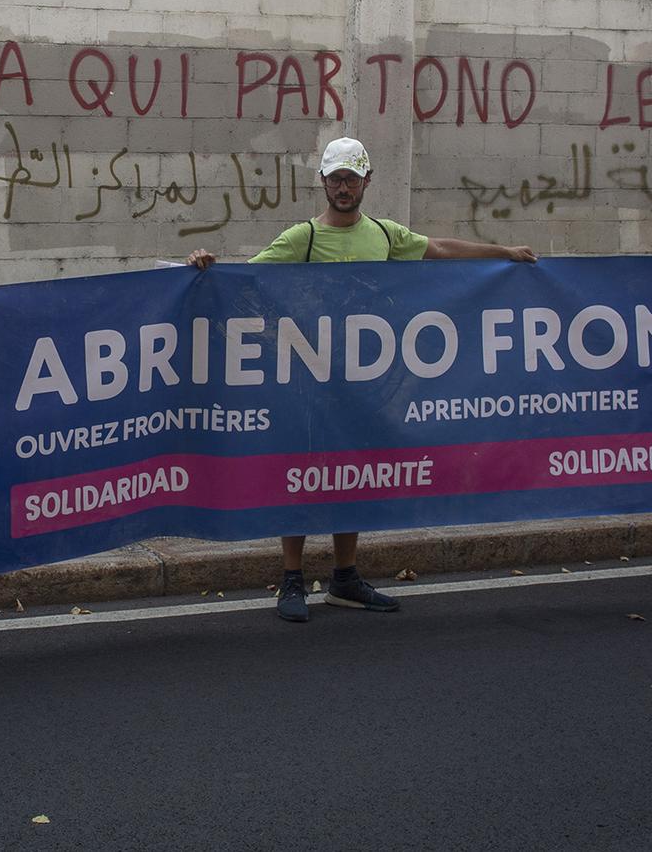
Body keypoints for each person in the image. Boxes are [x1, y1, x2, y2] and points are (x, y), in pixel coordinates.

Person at [187, 136, 539, 622]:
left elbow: (436, 248)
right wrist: (204, 266)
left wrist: (502, 252)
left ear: (367, 180)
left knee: (351, 475)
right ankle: (291, 580)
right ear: (324, 183)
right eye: (336, 179)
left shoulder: (386, 234)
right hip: (308, 382)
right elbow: (242, 281)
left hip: (363, 383)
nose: (344, 187)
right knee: (302, 475)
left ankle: (345, 579)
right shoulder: (301, 239)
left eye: (352, 178)